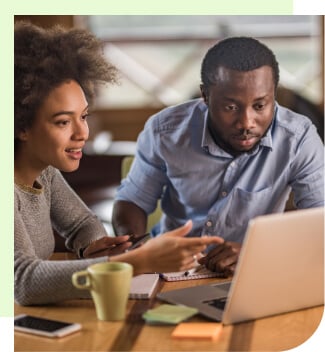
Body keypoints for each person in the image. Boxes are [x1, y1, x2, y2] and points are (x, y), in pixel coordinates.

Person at [14, 21, 222, 306]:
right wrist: (136, 261)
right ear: (20, 125)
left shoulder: (44, 172)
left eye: (83, 116)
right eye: (63, 121)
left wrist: (92, 248)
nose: (82, 133)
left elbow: (82, 224)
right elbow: (25, 283)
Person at [112, 36, 324, 277]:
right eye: (231, 107)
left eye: (260, 106)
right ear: (205, 95)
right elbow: (132, 201)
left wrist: (254, 254)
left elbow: (320, 223)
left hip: (255, 271)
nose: (246, 123)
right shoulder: (164, 132)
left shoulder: (299, 138)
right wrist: (140, 252)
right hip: (171, 271)